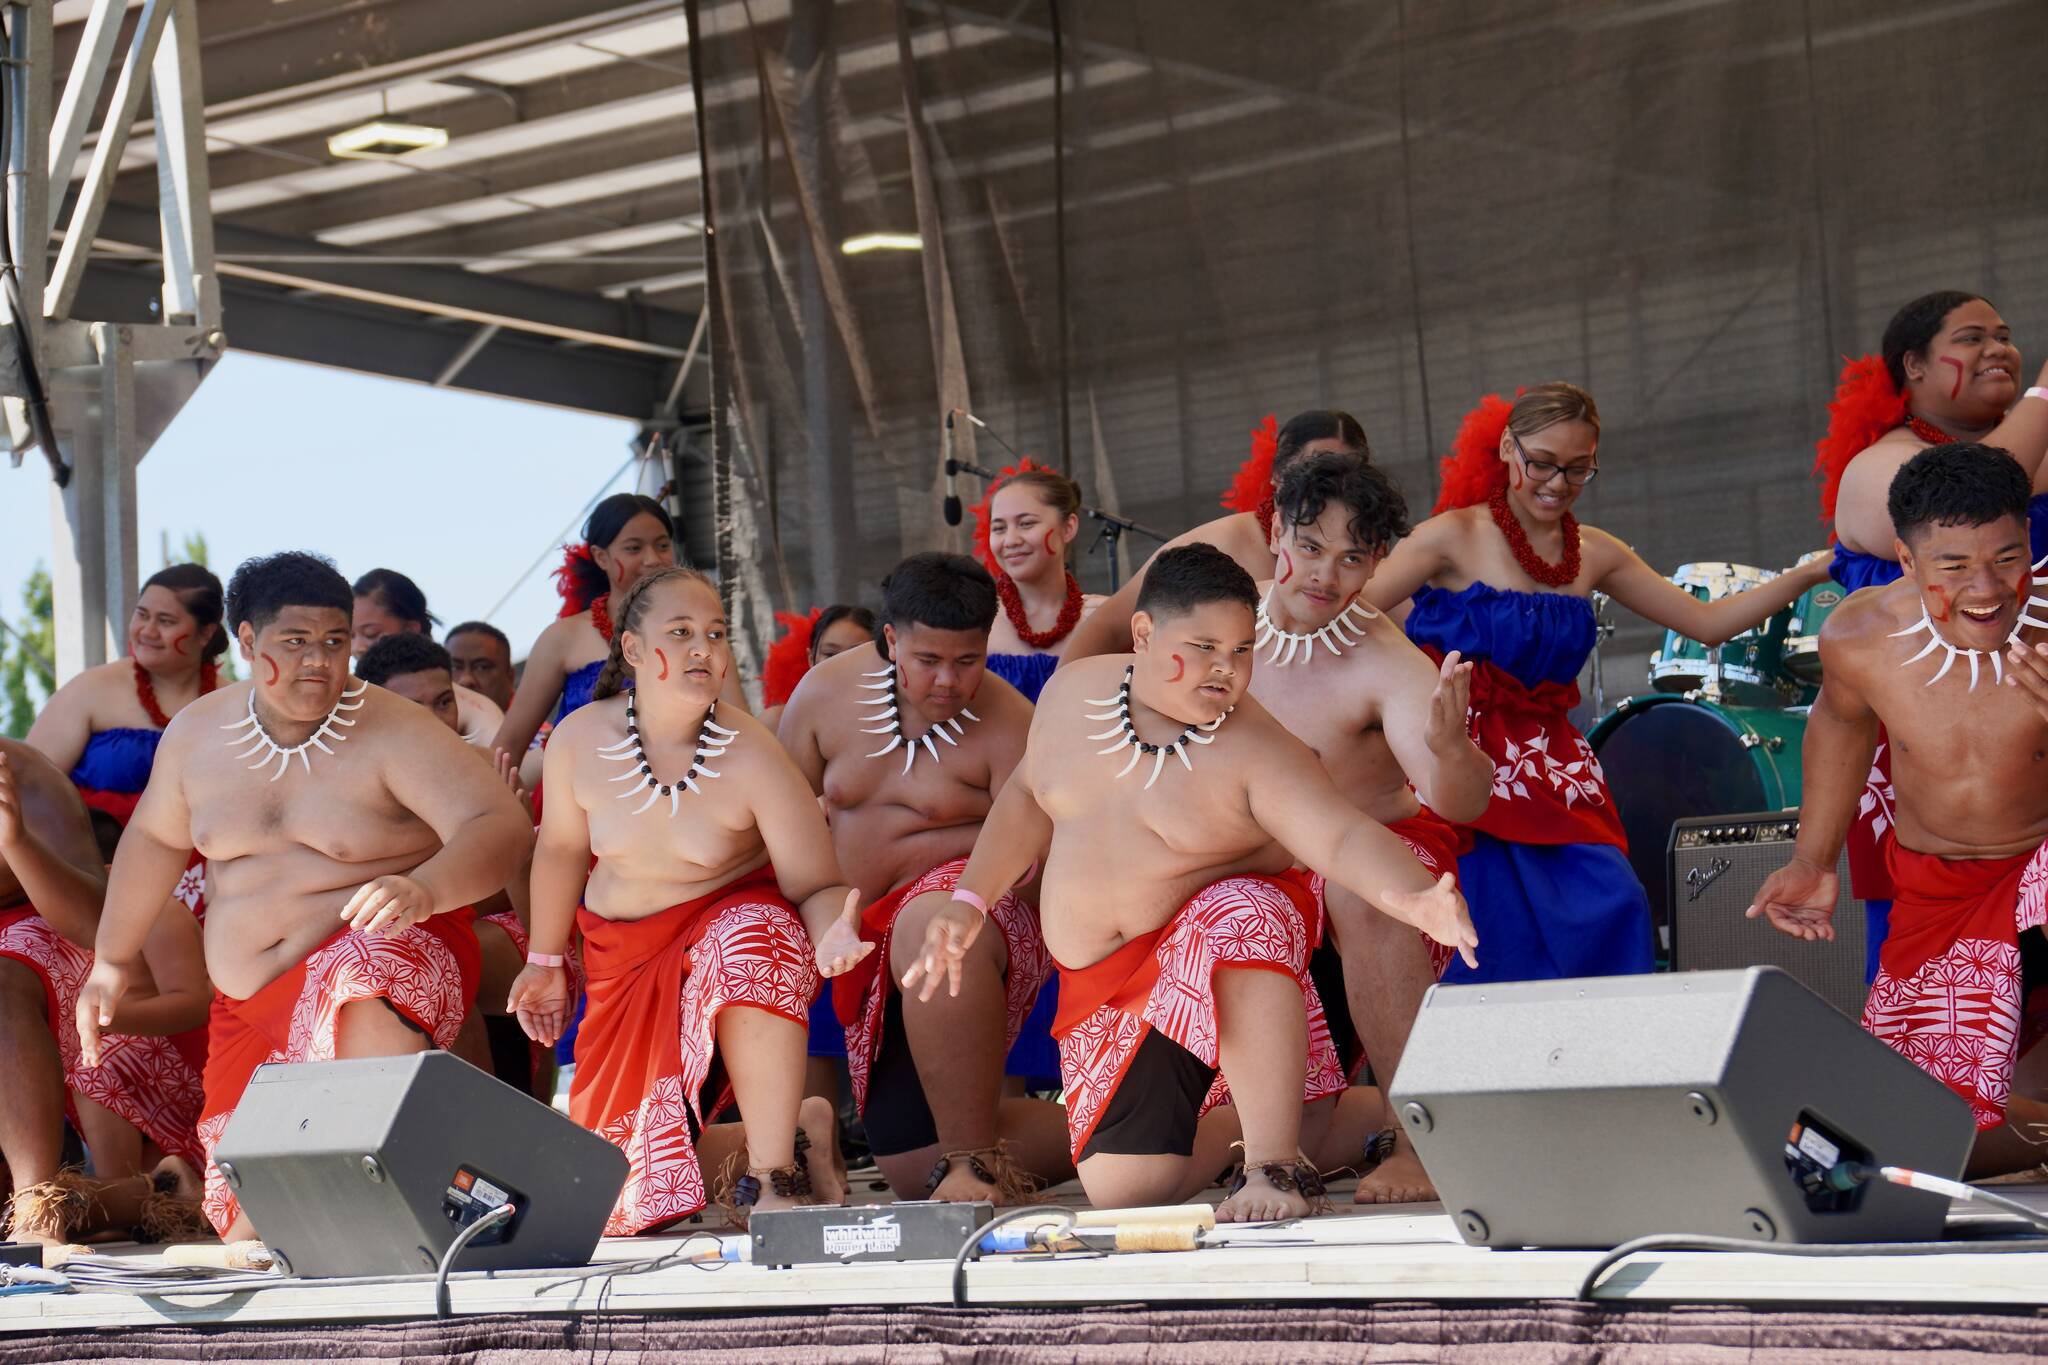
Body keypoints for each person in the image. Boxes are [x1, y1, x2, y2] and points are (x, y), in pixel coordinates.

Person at [907, 544, 1476, 1221]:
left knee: (1248, 906)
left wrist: (1410, 893)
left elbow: (1342, 836)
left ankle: (1272, 1164)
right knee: (1123, 1190)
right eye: (1204, 646)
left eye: (1242, 650)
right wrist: (971, 899)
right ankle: (1325, 1117)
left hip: (1227, 969)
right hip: (1105, 991)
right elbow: (1030, 796)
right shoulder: (1072, 692)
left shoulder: (1257, 750)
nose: (1225, 670)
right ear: (1143, 634)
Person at [76, 552, 531, 1246]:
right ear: (249, 642)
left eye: (335, 641)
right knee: (251, 1229)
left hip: (387, 955)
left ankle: (405, 1216)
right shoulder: (197, 736)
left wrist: (426, 886)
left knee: (363, 984)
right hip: (249, 1003)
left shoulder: (393, 730)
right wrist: (109, 958)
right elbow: (151, 843)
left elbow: (498, 825)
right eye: (296, 642)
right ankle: (463, 1191)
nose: (319, 661)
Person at [1365, 383, 1830, 984]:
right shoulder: (1450, 536)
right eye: (1542, 463)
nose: (1557, 483)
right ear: (1508, 448)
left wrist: (1810, 574)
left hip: (1555, 766)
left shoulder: (1596, 553)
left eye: (1579, 469)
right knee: (1490, 928)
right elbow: (1351, 615)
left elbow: (1708, 623)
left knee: (1612, 905)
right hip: (1460, 757)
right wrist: (1407, 694)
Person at [507, 568, 866, 1233]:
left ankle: (773, 1175)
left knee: (756, 935)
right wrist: (545, 957)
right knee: (619, 1197)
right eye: (681, 633)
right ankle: (804, 1130)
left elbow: (815, 883)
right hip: (625, 964)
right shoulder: (579, 739)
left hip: (732, 934)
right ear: (635, 649)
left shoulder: (752, 752)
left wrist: (830, 933)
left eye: (716, 634)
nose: (704, 648)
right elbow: (559, 850)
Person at [1752, 443, 2048, 1177]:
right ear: (1906, 562)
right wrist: (1813, 858)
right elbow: (1840, 728)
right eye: (1953, 566)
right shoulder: (1859, 636)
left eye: (2008, 558)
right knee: (1887, 1142)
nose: (1986, 589)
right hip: (1941, 895)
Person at [1240, 451, 1492, 1203]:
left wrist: (1452, 749)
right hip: (1258, 865)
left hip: (1374, 853)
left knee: (1363, 891)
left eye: (1353, 558)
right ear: (1277, 529)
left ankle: (1417, 1137)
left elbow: (1463, 801)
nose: (1324, 574)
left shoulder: (1385, 658)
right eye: (1311, 546)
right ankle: (1268, 1141)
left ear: (1380, 561)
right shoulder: (1223, 623)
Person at [778, 554, 1067, 1204]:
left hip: (971, 917)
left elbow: (1035, 861)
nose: (947, 680)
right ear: (890, 640)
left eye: (967, 661)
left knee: (929, 919)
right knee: (911, 1168)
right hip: (861, 938)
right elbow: (779, 814)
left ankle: (971, 1161)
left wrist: (989, 887)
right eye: (928, 659)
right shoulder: (824, 695)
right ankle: (1130, 1139)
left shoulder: (1010, 723)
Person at [1811, 293, 2048, 979]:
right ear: (1911, 367)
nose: (1998, 349)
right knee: (1947, 1039)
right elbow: (1973, 489)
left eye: (2005, 336)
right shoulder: (1876, 469)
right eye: (1971, 338)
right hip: (1934, 786)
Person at [0, 740, 210, 1249]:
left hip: (42, 938)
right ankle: (156, 1199)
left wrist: (16, 841)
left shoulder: (27, 775)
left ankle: (37, 1206)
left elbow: (97, 924)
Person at [356, 634, 543, 1096]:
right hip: (386, 958)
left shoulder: (484, 771)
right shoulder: (350, 782)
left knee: (436, 967)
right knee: (416, 963)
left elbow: (539, 926)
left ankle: (487, 1144)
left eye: (444, 702)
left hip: (493, 944)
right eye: (413, 708)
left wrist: (516, 839)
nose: (436, 722)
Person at [1059, 411, 1371, 663]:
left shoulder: (1367, 560)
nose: (1327, 485)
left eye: (1345, 472)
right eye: (1314, 468)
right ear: (1277, 475)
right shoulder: (1219, 544)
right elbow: (1109, 628)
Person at [28, 564, 227, 830]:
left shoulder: (233, 704)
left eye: (166, 621)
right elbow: (27, 785)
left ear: (206, 633)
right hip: (90, 861)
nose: (148, 630)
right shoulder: (90, 689)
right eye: (142, 615)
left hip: (205, 865)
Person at [973, 463, 1105, 702]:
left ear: (1068, 527)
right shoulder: (975, 621)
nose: (1010, 540)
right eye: (999, 528)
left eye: (1026, 523)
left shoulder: (1106, 619)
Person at [350, 568, 504, 753]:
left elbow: (501, 768)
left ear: (411, 629)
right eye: (350, 636)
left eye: (370, 633)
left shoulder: (477, 711)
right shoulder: (341, 700)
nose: (357, 646)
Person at [759, 604, 876, 733]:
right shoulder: (777, 722)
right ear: (811, 659)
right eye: (830, 654)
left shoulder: (894, 721)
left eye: (856, 654)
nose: (842, 664)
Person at [445, 620, 516, 713]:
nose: (466, 680)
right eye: (454, 667)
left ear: (510, 676)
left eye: (482, 667)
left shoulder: (534, 724)